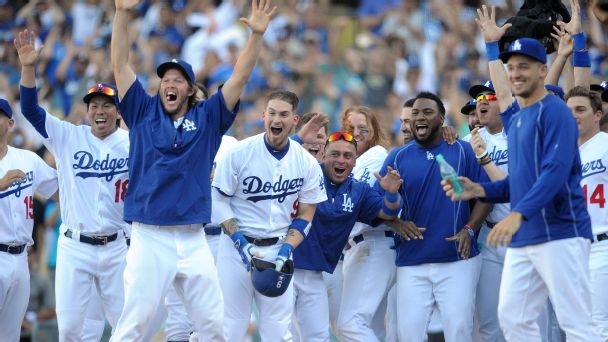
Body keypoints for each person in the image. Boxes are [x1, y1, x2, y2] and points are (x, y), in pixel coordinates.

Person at [109, 0, 276, 339]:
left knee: (213, 326)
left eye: (178, 79)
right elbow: (119, 63)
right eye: (165, 79)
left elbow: (239, 78)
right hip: (149, 235)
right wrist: (122, 13)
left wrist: (256, 35)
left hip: (193, 238)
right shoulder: (142, 111)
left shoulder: (207, 118)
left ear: (189, 89)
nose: (170, 83)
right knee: (134, 323)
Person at [442, 36, 600, 341]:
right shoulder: (517, 119)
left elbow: (554, 173)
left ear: (543, 70)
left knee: (577, 324)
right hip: (526, 235)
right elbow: (521, 181)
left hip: (561, 232)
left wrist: (519, 214)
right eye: (511, 67)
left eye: (523, 66)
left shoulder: (556, 112)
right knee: (513, 319)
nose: (515, 73)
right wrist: (479, 191)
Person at [15, 29, 130, 341]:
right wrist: (28, 68)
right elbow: (30, 110)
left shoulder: (133, 143)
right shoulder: (69, 137)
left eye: (107, 105)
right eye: (94, 105)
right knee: (70, 331)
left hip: (117, 246)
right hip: (74, 247)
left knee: (126, 327)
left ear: (118, 111)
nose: (100, 111)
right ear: (87, 110)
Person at [212, 89, 327, 341]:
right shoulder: (240, 152)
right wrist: (239, 241)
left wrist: (288, 248)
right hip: (235, 249)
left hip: (278, 247)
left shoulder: (305, 162)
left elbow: (307, 212)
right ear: (263, 116)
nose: (277, 120)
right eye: (272, 113)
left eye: (284, 114)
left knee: (277, 330)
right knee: (231, 325)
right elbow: (218, 200)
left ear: (294, 121)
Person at [379, 91, 490, 341]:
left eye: (428, 112)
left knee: (459, 331)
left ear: (442, 119)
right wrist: (395, 222)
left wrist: (470, 229)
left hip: (457, 260)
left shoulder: (462, 151)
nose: (420, 117)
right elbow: (375, 203)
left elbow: (485, 196)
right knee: (409, 334)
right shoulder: (397, 157)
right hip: (411, 261)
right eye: (415, 113)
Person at [291, 131, 403, 342]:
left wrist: (391, 194)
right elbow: (276, 160)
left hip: (316, 274)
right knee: (280, 334)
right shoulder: (306, 174)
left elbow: (387, 213)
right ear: (323, 154)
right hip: (286, 267)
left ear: (354, 161)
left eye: (347, 156)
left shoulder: (358, 190)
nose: (341, 160)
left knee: (319, 337)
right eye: (335, 154)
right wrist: (298, 137)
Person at [0, 98, 57, 342]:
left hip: (21, 258)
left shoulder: (28, 159)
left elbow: (61, 191)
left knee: (10, 334)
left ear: (10, 123)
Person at [337, 105, 396, 342]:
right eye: (351, 128)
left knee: (349, 325)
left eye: (364, 128)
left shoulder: (376, 154)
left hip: (373, 244)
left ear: (373, 131)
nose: (358, 132)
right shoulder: (352, 161)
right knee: (370, 327)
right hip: (362, 247)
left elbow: (360, 203)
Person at [565, 86, 608, 339]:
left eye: (580, 109)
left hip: (602, 244)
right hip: (571, 248)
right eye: (568, 110)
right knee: (575, 324)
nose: (573, 115)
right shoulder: (563, 152)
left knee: (598, 324)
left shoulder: (605, 145)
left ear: (597, 115)